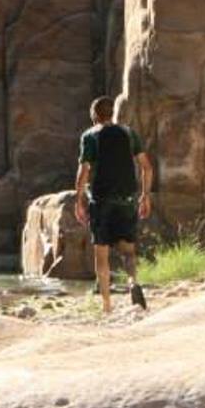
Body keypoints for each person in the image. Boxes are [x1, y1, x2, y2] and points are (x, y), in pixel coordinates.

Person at [74, 96, 155, 314]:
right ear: (113, 114)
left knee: (102, 254)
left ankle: (107, 305)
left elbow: (84, 171)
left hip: (101, 201)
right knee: (128, 251)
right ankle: (132, 281)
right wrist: (145, 196)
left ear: (94, 116)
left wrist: (78, 199)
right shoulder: (129, 133)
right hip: (127, 200)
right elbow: (146, 167)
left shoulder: (90, 136)